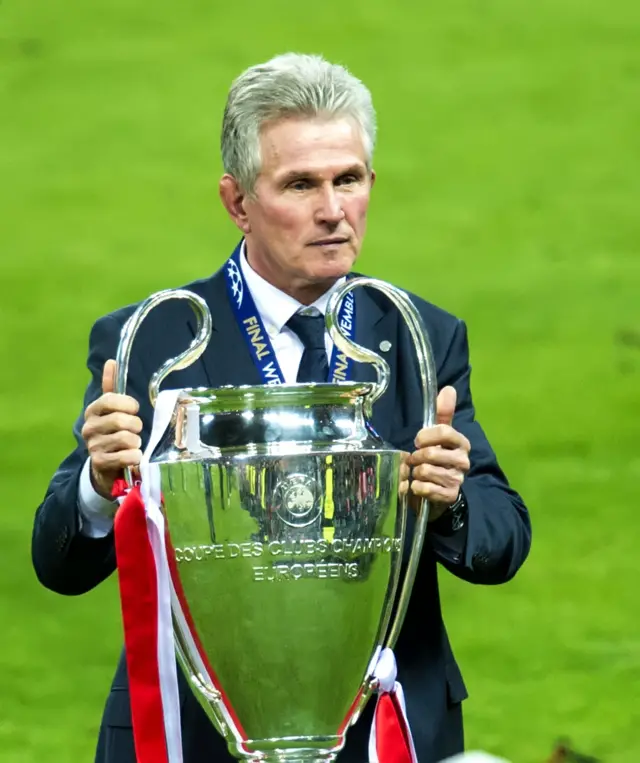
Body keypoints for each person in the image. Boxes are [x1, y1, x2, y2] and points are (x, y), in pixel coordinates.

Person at [31, 53, 532, 763]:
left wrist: (450, 501)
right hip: (202, 734)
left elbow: (504, 539)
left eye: (348, 179)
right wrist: (96, 481)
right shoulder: (157, 339)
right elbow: (59, 562)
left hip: (380, 731)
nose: (333, 210)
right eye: (300, 184)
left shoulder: (418, 334)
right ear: (238, 202)